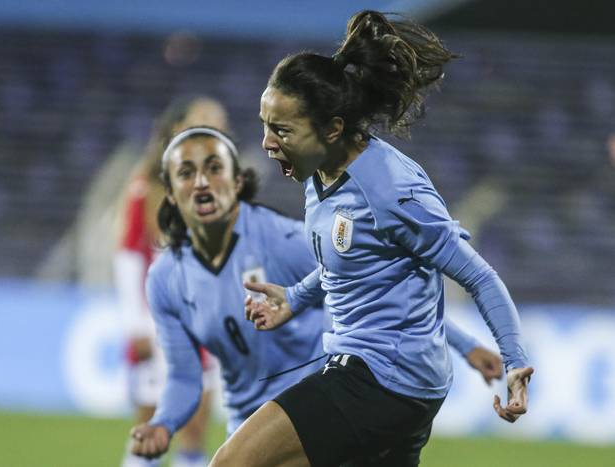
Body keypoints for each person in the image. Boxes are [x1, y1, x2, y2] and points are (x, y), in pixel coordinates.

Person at [210, 10, 534, 467]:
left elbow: (480, 277)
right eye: (265, 124)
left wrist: (515, 360)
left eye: (281, 129)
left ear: (332, 128)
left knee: (233, 463)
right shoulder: (318, 172)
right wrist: (294, 299)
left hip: (382, 379)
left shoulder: (392, 193)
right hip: (402, 384)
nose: (266, 142)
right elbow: (348, 267)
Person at [127, 127, 504, 463]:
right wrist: (163, 424)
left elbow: (377, 288)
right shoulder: (165, 280)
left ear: (238, 181)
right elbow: (184, 376)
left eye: (214, 168)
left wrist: (465, 344)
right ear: (170, 194)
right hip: (251, 426)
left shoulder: (281, 240)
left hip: (320, 412)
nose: (201, 182)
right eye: (186, 173)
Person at [114, 96, 227, 467]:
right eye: (203, 121)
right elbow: (130, 256)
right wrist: (136, 324)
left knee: (195, 429)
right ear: (179, 129)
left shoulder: (225, 189)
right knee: (150, 428)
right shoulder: (148, 185)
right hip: (158, 322)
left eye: (218, 123)